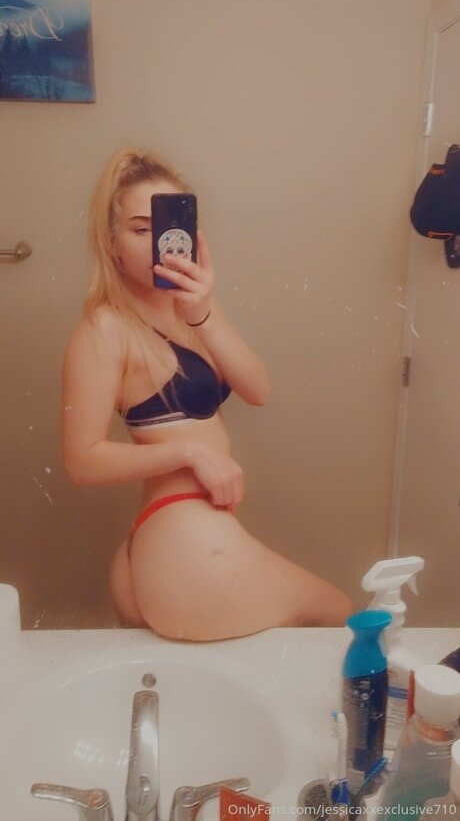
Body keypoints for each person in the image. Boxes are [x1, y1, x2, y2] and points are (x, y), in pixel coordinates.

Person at [62, 148, 352, 641]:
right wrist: (190, 453)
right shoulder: (106, 328)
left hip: (178, 539)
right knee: (338, 615)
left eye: (169, 225)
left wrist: (202, 312)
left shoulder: (193, 308)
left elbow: (257, 389)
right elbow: (81, 461)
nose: (159, 242)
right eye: (140, 229)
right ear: (111, 243)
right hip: (182, 536)